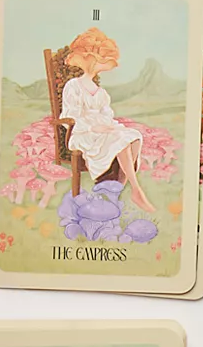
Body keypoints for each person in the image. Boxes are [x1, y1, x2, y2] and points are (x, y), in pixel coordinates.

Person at [61, 28, 155, 212]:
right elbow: (70, 116)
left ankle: (116, 191)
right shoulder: (73, 86)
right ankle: (136, 190)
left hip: (102, 130)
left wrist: (106, 126)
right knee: (121, 140)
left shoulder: (101, 93)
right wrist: (93, 127)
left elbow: (106, 115)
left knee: (133, 136)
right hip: (82, 133)